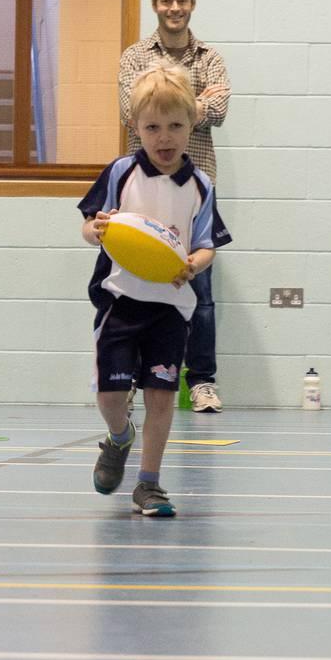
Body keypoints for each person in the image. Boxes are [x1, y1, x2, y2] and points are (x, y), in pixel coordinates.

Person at [79, 67, 231, 517]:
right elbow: (91, 227)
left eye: (175, 126)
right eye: (152, 127)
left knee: (161, 395)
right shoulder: (122, 173)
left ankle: (149, 483)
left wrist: (192, 265)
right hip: (121, 301)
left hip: (171, 307)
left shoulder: (201, 186)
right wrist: (97, 230)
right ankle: (120, 436)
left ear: (191, 125)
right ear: (135, 127)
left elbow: (206, 246)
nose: (164, 138)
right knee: (110, 395)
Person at [117, 0, 230, 412]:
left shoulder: (211, 56)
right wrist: (193, 102)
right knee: (135, 285)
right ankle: (128, 378)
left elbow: (219, 112)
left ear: (192, 4)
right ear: (155, 4)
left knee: (198, 287)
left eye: (182, 0)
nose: (174, 8)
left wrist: (172, 101)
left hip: (195, 180)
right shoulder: (134, 55)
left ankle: (201, 381)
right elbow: (131, 109)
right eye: (167, 1)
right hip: (143, 186)